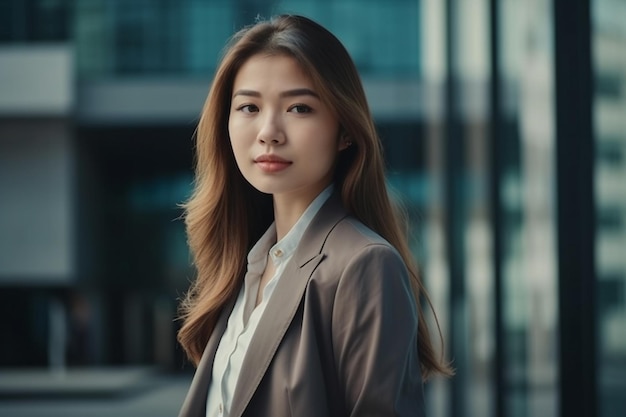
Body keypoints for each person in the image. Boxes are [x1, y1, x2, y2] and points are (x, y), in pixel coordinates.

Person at [177, 14, 452, 417]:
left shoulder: (365, 266)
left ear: (344, 130)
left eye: (299, 108)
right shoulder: (244, 266)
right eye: (249, 106)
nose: (268, 131)